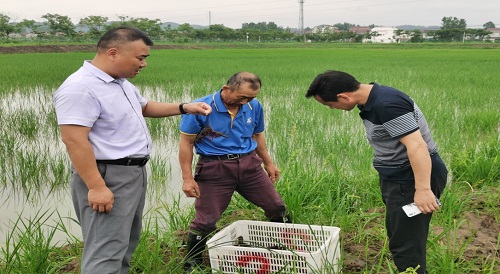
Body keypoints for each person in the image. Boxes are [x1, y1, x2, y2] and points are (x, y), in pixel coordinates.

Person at [53, 26, 211, 274]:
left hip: (131, 174)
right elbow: (74, 140)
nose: (144, 64)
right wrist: (96, 186)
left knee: (125, 243)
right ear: (113, 53)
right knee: (106, 250)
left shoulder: (120, 83)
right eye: (141, 57)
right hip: (107, 175)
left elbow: (144, 107)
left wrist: (185, 107)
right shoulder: (80, 87)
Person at [305, 70, 447, 274]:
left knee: (406, 243)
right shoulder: (372, 99)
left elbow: (417, 146)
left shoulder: (386, 105)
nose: (332, 109)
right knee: (400, 234)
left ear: (343, 96)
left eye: (330, 105)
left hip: (410, 178)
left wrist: (423, 189)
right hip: (398, 177)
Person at [179, 71, 291, 271]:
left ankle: (289, 248)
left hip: (249, 166)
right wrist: (187, 179)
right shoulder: (200, 107)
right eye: (242, 97)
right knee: (206, 220)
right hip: (215, 168)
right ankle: (192, 263)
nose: (245, 102)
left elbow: (257, 135)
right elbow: (186, 143)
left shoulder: (253, 106)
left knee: (277, 207)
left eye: (251, 97)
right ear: (226, 89)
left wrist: (269, 163)